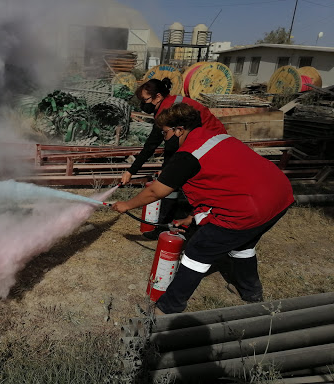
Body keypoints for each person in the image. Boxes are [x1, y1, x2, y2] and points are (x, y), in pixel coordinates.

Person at [112, 103, 294, 314]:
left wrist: (126, 205)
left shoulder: (188, 155)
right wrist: (192, 218)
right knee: (243, 244)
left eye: (165, 133)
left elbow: (155, 192)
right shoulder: (218, 137)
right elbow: (219, 184)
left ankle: (168, 308)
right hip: (279, 196)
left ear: (179, 130)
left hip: (249, 208)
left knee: (197, 250)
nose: (164, 138)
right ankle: (251, 293)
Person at [122, 78, 227, 240]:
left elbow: (153, 144)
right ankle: (168, 224)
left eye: (145, 100)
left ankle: (189, 228)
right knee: (172, 181)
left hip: (211, 142)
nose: (143, 105)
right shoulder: (169, 103)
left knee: (186, 183)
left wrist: (131, 171)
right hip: (205, 140)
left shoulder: (167, 110)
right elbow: (168, 144)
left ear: (157, 97)